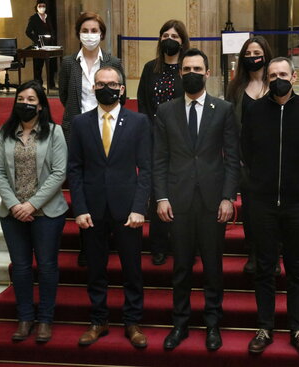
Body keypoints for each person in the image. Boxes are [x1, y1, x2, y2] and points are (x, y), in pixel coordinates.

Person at [153, 48, 240, 351]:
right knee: (181, 269)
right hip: (177, 202)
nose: (191, 73)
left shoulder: (224, 109)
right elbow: (159, 159)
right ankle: (180, 323)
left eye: (197, 68)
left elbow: (232, 159)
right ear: (180, 73)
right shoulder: (165, 111)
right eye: (186, 68)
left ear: (207, 72)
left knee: (213, 268)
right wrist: (161, 197)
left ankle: (213, 323)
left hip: (212, 203)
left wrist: (229, 197)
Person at [241, 57, 299, 357]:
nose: (278, 78)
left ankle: (297, 328)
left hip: (298, 203)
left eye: (283, 74)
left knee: (296, 269)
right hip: (263, 204)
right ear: (267, 78)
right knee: (264, 268)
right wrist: (263, 181)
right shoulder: (254, 112)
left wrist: (298, 179)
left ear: (294, 77)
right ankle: (264, 327)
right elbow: (246, 151)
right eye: (273, 74)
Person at [67, 66, 151, 349]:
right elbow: (74, 170)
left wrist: (140, 207)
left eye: (112, 84)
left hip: (128, 211)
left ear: (122, 89)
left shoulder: (138, 122)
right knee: (95, 270)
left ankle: (132, 322)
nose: (106, 88)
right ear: (93, 88)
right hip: (92, 210)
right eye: (101, 83)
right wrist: (78, 208)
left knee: (132, 269)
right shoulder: (80, 124)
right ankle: (98, 320)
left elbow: (147, 169)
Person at [0, 80, 68, 344]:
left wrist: (32, 204)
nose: (25, 103)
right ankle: (25, 318)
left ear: (41, 105)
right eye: (21, 99)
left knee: (47, 267)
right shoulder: (5, 132)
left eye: (31, 100)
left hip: (46, 213)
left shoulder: (54, 132)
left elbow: (59, 172)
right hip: (13, 214)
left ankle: (45, 319)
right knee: (22, 268)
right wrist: (14, 204)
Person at [137, 19, 190, 266]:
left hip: (182, 140)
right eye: (165, 34)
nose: (170, 39)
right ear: (160, 39)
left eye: (175, 36)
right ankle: (158, 245)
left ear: (182, 41)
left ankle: (182, 243)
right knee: (158, 191)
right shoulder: (150, 68)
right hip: (153, 139)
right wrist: (152, 131)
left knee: (182, 192)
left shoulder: (187, 69)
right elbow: (142, 104)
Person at [225, 36, 272, 275]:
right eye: (249, 53)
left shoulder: (276, 84)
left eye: (257, 52)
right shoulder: (236, 88)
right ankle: (253, 252)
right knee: (252, 210)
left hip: (273, 160)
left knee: (272, 209)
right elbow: (230, 126)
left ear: (265, 55)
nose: (253, 57)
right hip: (246, 160)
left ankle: (272, 254)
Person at [59, 11, 125, 146]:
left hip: (106, 125)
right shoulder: (68, 63)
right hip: (75, 126)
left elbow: (121, 97)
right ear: (79, 34)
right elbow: (64, 96)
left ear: (101, 34)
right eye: (85, 30)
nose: (89, 35)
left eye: (94, 30)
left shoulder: (113, 62)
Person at [25, 0, 57, 89]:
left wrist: (53, 38)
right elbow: (28, 32)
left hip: (50, 44)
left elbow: (51, 29)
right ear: (37, 7)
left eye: (43, 6)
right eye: (40, 6)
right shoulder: (34, 18)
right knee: (38, 66)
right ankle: (38, 84)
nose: (42, 7)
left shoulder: (48, 17)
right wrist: (37, 39)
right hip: (39, 45)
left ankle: (51, 84)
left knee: (51, 65)